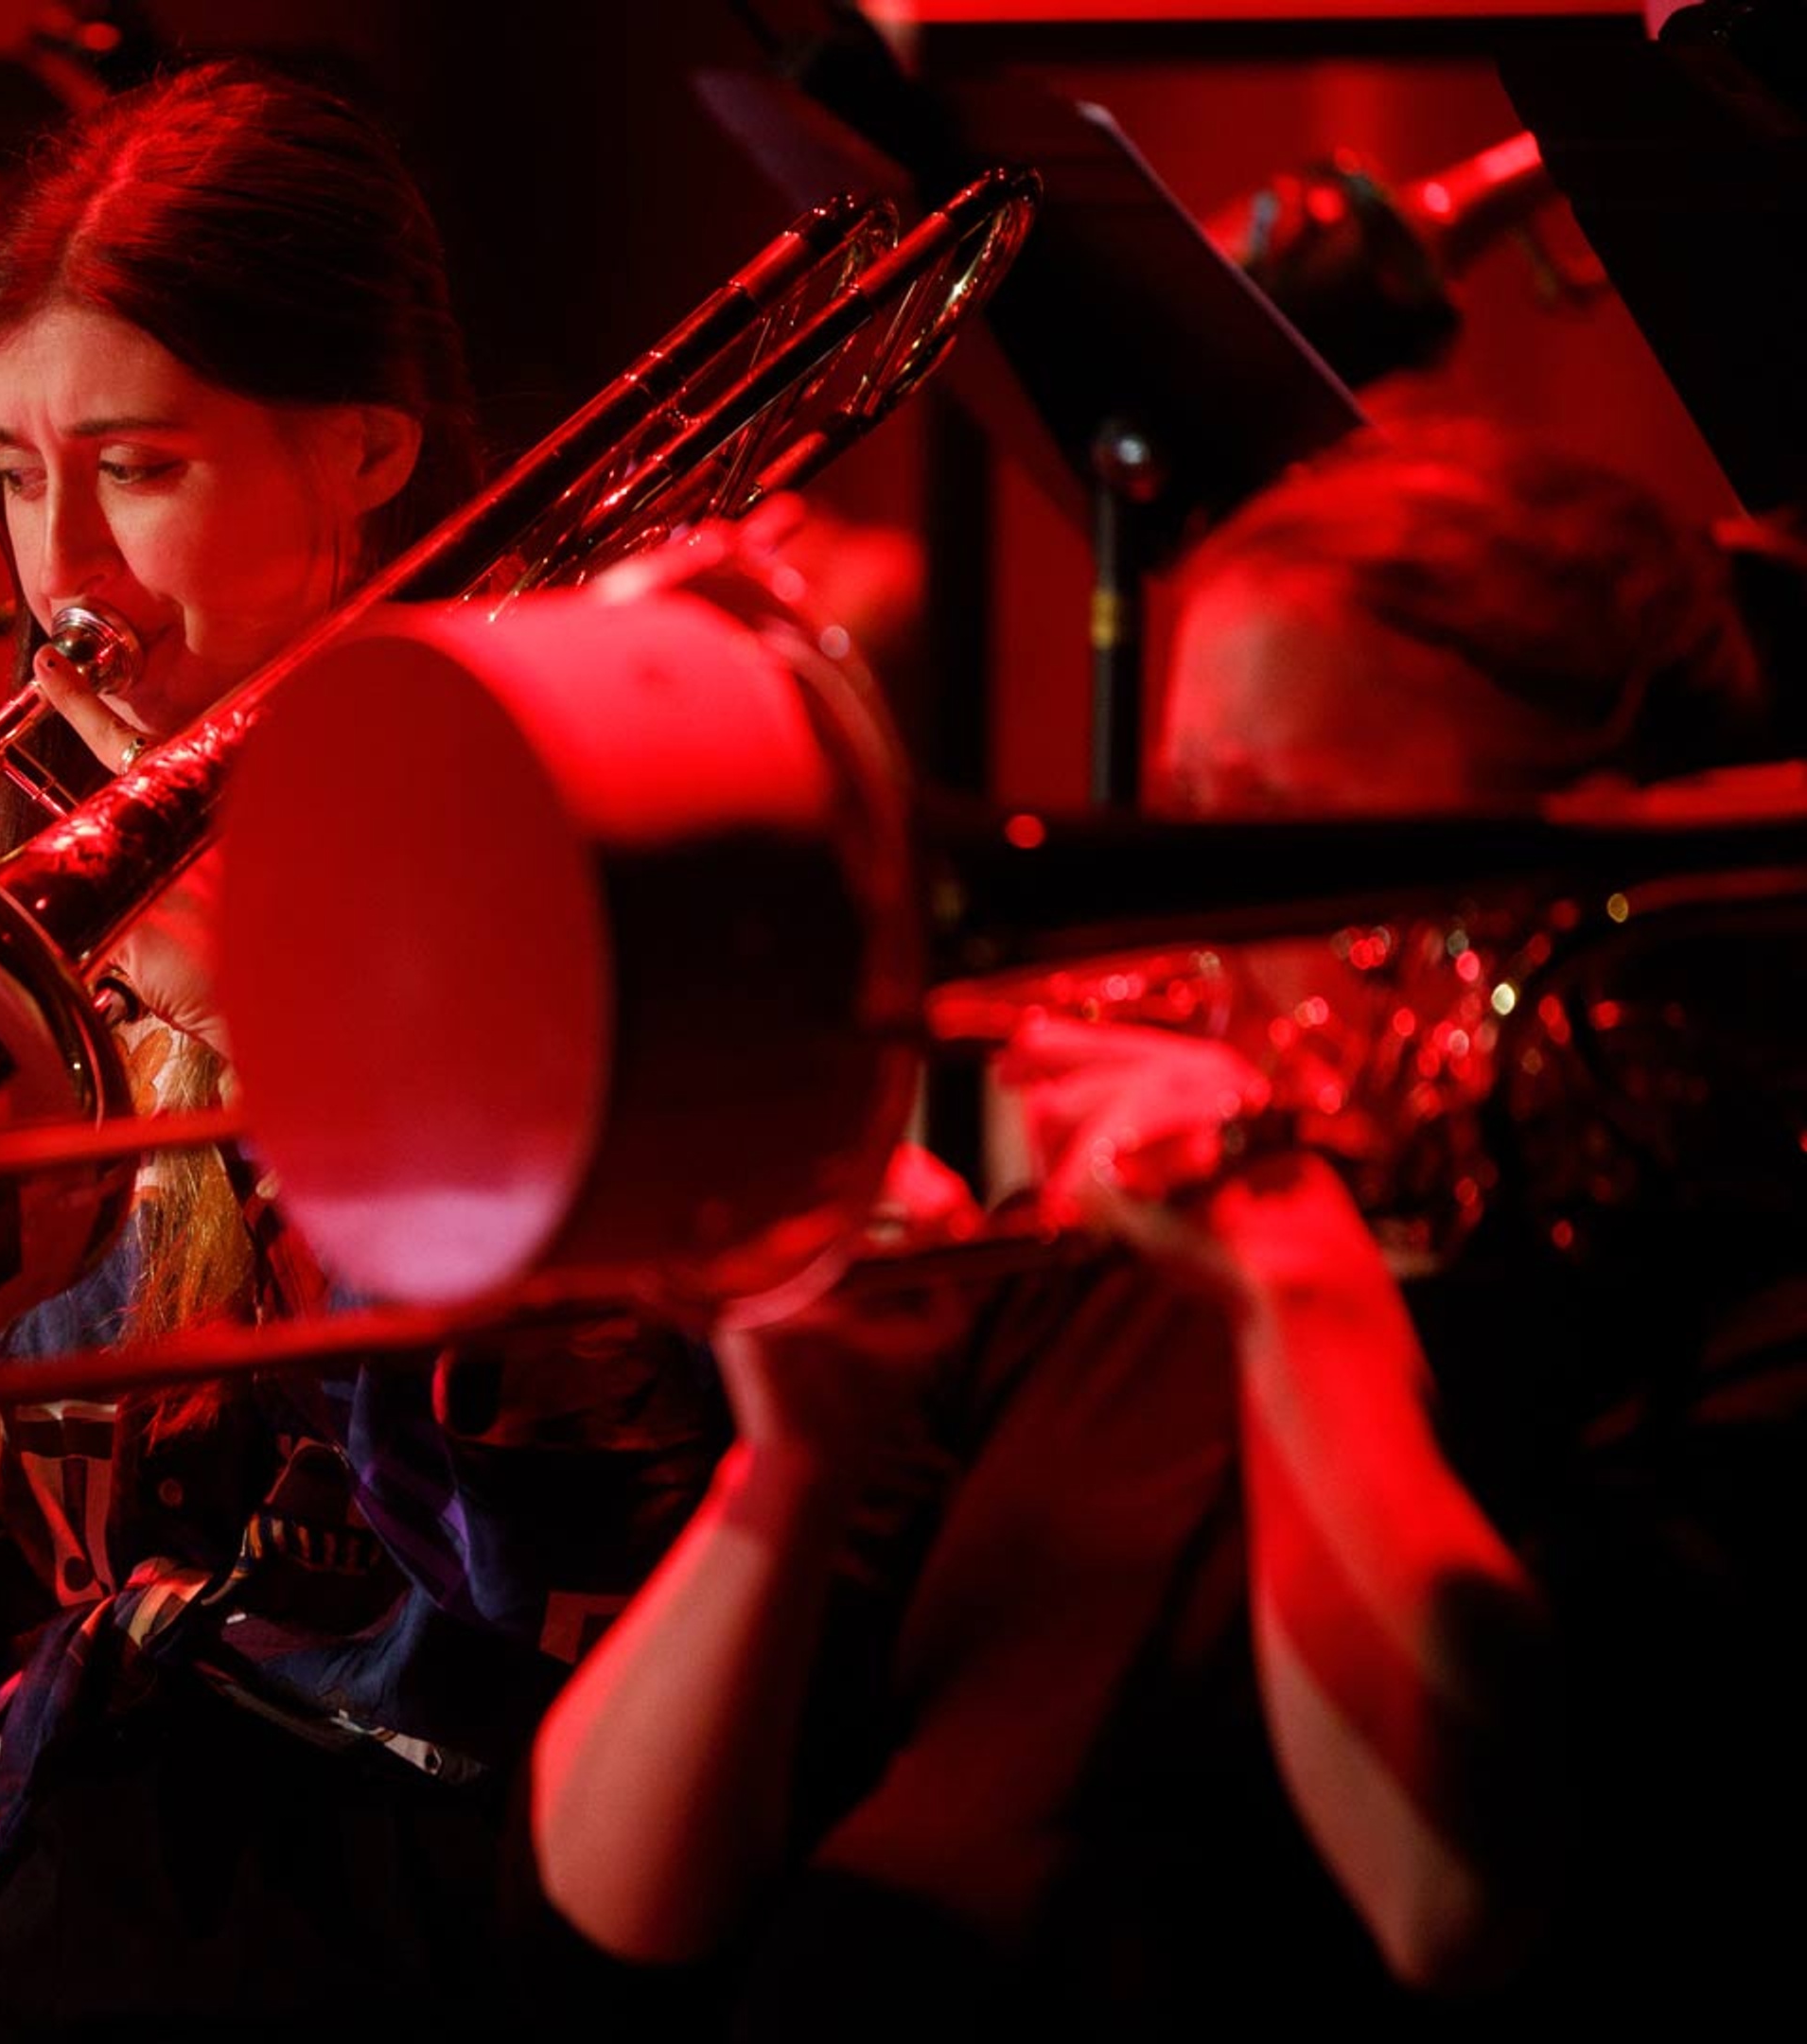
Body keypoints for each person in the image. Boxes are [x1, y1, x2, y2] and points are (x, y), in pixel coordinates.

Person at [0, 63, 708, 2042]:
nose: (66, 585)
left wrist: (285, 1055)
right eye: (11, 478)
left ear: (369, 446)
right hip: (93, 1887)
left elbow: (544, 1575)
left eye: (135, 472)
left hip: (471, 1901)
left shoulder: (567, 842)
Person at [529, 424, 1798, 2032]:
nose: (1184, 927)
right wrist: (786, 1472)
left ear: (1545, 856)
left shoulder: (1721, 1341)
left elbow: (1450, 1902)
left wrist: (1297, 1285)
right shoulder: (1092, 1268)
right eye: (1180, 813)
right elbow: (613, 1888)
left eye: (1264, 834)